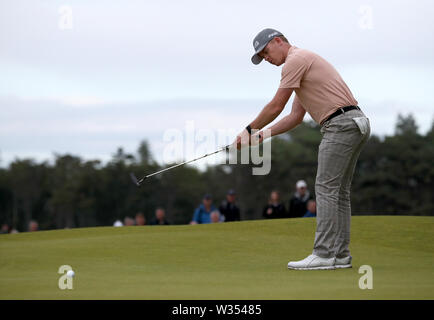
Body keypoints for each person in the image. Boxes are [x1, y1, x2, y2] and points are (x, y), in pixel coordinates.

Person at [234, 28, 370, 270]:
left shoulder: (294, 60)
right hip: (354, 122)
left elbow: (276, 105)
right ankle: (339, 255)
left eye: (266, 52)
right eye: (262, 56)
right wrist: (262, 135)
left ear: (278, 41)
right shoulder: (303, 63)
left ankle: (324, 254)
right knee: (338, 192)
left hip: (340, 124)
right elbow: (295, 117)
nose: (266, 58)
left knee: (326, 188)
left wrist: (249, 129)